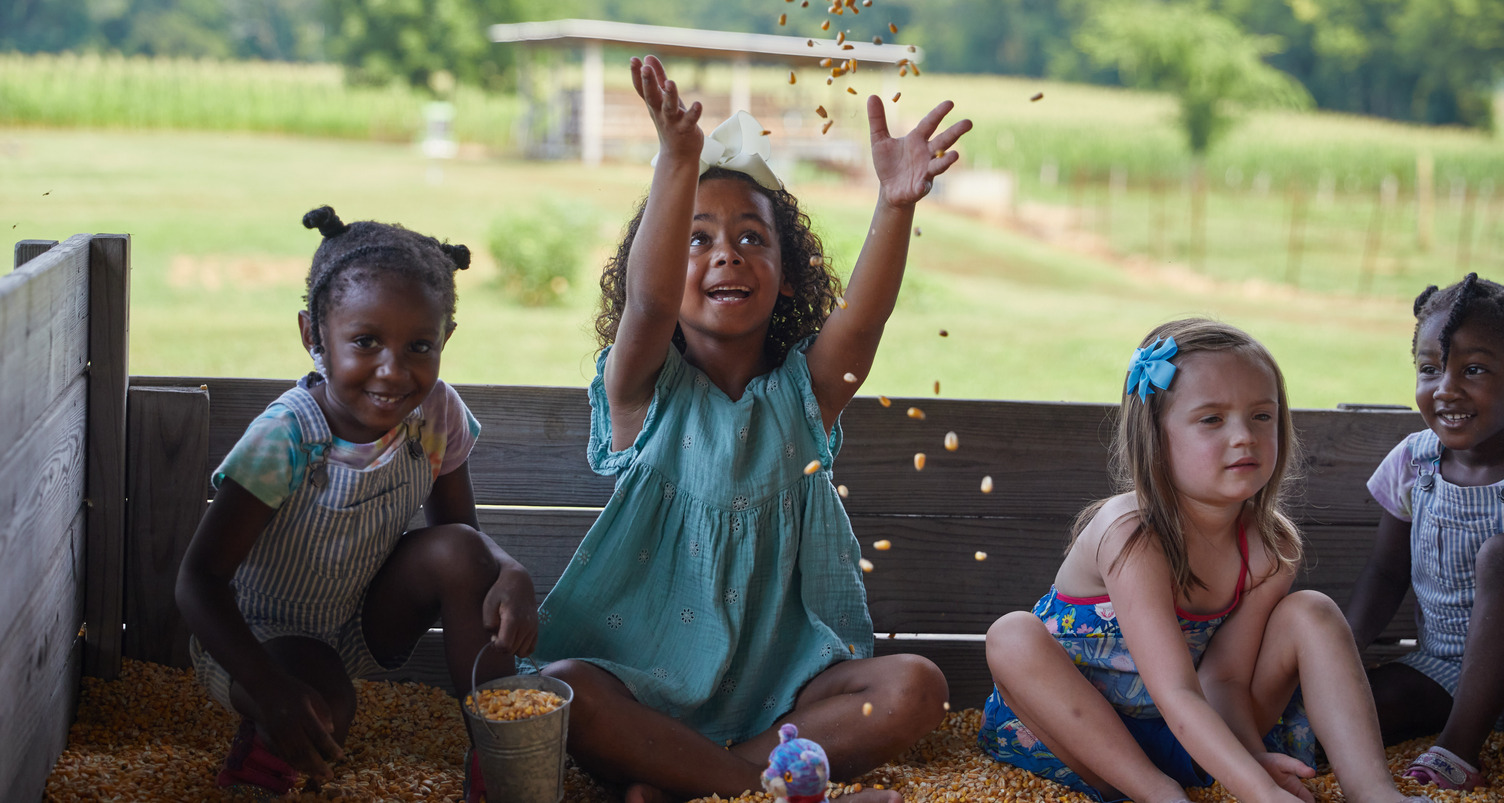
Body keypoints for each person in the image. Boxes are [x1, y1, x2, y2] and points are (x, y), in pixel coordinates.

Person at [530, 55, 968, 803]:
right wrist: (678, 159)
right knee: (567, 689)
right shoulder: (641, 389)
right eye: (696, 238)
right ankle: (774, 793)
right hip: (638, 693)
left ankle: (686, 783)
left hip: (781, 699)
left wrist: (895, 204)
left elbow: (863, 321)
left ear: (789, 274)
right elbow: (648, 303)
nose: (726, 253)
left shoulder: (806, 397)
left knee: (915, 688)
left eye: (752, 238)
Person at [980, 318, 1424, 803]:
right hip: (1082, 739)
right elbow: (1175, 691)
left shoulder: (1271, 547)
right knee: (1012, 636)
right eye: (1212, 419)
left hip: (1201, 738)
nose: (1244, 436)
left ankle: (1374, 791)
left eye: (1262, 415)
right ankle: (1159, 794)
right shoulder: (1131, 534)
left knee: (1311, 611)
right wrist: (1262, 794)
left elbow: (1224, 678)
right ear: (1156, 435)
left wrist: (1250, 759)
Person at [175, 206, 537, 802]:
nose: (393, 371)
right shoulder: (288, 435)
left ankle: (500, 755)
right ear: (313, 335)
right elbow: (198, 581)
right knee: (325, 708)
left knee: (462, 552)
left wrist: (509, 569)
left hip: (361, 623)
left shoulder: (436, 412)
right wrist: (268, 689)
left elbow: (462, 541)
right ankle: (259, 761)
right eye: (366, 341)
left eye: (419, 346)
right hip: (255, 640)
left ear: (445, 339)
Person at [1346, 272, 1504, 790]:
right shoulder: (1415, 462)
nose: (1446, 389)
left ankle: (1456, 752)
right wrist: (1342, 655)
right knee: (1355, 713)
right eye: (1430, 369)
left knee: (1499, 557)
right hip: (1441, 669)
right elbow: (1386, 572)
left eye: (1473, 369)